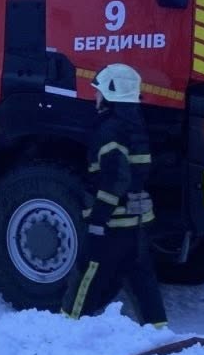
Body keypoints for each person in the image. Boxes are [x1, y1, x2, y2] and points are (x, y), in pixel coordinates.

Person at [61, 63, 167, 327]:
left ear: (111, 94)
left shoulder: (109, 130)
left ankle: (67, 327)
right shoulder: (137, 126)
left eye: (98, 91)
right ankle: (158, 330)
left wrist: (98, 219)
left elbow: (115, 178)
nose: (95, 96)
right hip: (137, 222)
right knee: (142, 278)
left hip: (113, 223)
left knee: (88, 271)